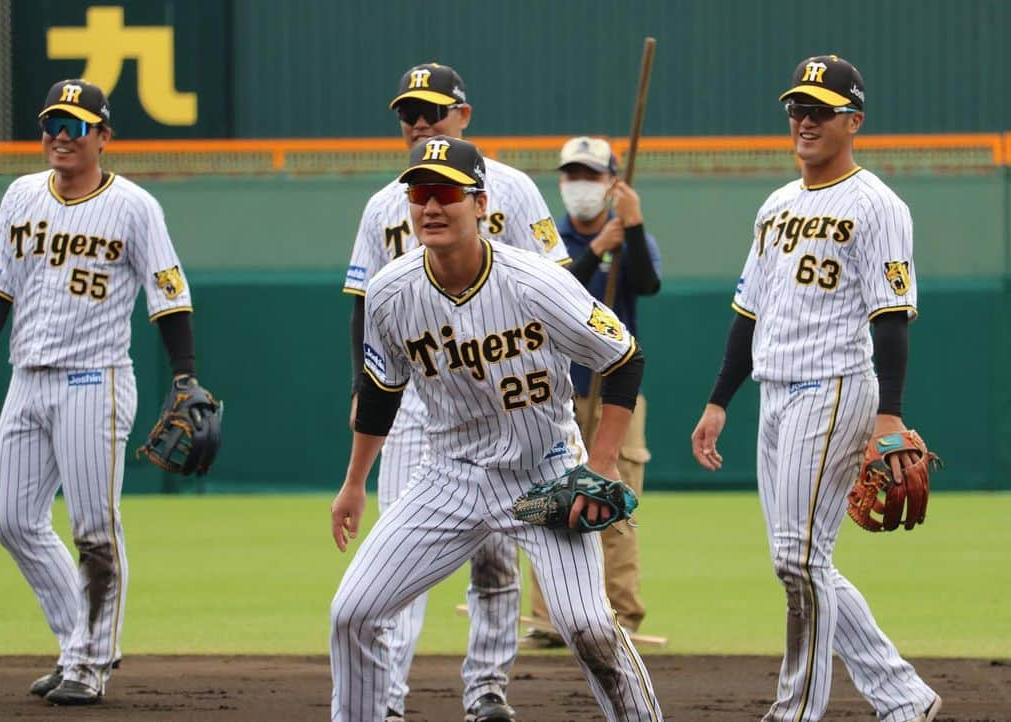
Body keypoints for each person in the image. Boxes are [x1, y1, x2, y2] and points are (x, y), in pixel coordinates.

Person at [330, 135, 664, 722]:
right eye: (420, 193)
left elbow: (623, 357)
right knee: (352, 613)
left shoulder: (535, 281)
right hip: (450, 481)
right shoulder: (390, 293)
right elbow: (380, 393)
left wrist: (603, 463)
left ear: (480, 203)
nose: (431, 207)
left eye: (447, 194)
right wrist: (355, 482)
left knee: (587, 625)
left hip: (542, 481)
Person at [689, 55, 941, 722]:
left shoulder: (877, 205)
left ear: (852, 121)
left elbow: (890, 316)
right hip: (776, 391)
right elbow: (749, 310)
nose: (804, 120)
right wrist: (720, 399)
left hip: (834, 386)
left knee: (798, 557)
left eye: (820, 110)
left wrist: (889, 414)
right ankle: (903, 695)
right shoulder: (776, 204)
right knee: (801, 562)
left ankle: (795, 711)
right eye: (797, 108)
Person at [341, 62, 570, 721]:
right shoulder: (387, 204)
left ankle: (486, 689)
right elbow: (362, 303)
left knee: (497, 557)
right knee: (401, 553)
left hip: (507, 401)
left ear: (463, 116)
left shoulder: (516, 190)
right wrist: (362, 387)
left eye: (432, 111)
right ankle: (384, 700)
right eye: (409, 113)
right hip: (416, 400)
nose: (418, 122)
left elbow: (559, 289)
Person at [0, 79, 204, 705]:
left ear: (104, 135)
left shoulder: (134, 206)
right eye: (52, 124)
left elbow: (169, 293)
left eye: (75, 126)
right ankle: (83, 642)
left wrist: (184, 374)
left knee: (94, 528)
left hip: (94, 381)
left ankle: (90, 663)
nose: (60, 136)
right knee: (13, 520)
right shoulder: (20, 194)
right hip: (26, 377)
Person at [523, 136, 661, 648]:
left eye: (592, 175)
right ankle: (548, 618)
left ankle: (621, 617)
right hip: (556, 389)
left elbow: (647, 286)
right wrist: (596, 249)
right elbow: (548, 297)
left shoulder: (629, 237)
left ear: (612, 182)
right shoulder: (546, 240)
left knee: (614, 504)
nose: (580, 185)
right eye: (572, 175)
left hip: (615, 394)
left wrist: (634, 225)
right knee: (549, 501)